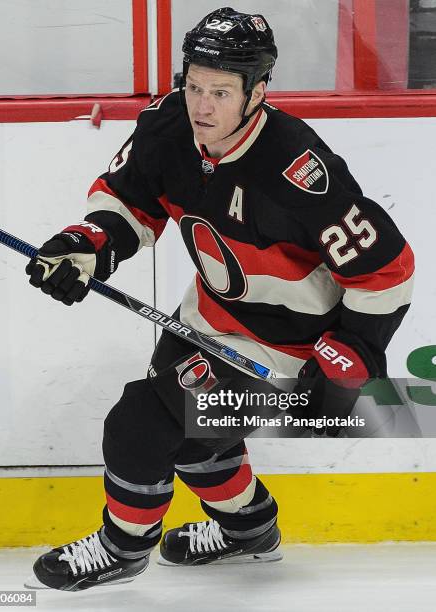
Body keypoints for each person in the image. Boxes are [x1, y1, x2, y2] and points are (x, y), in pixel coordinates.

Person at [24, 7, 414, 591]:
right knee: (195, 439)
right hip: (206, 318)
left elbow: (387, 269)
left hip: (282, 353)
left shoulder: (297, 168)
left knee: (142, 424)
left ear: (258, 92)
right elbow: (131, 201)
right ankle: (249, 530)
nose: (202, 106)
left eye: (221, 92)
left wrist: (351, 358)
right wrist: (86, 246)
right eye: (195, 85)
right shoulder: (168, 126)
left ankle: (123, 547)